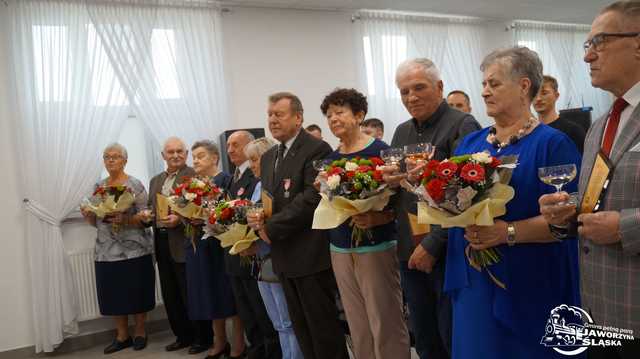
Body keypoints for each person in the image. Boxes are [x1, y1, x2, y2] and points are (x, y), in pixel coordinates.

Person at [444, 47, 582, 359]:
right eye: (483, 85)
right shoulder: (469, 143)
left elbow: (570, 221)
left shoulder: (553, 144)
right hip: (474, 280)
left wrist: (506, 232)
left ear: (523, 86)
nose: (484, 92)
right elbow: (449, 200)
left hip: (530, 282)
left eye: (494, 84)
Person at [539, 2, 640, 358]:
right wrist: (568, 215)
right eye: (587, 46)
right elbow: (596, 200)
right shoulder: (600, 125)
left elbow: (621, 220)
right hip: (599, 308)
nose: (587, 57)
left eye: (599, 42)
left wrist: (625, 227)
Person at [247, 92, 349, 359]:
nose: (272, 120)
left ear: (298, 117)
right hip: (282, 254)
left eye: (279, 114)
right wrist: (259, 218)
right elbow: (270, 199)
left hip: (310, 255)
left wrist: (272, 226)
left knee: (322, 328)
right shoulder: (269, 156)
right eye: (270, 114)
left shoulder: (317, 149)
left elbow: (312, 198)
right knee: (300, 327)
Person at [391, 58, 481, 359]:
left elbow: (470, 196)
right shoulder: (401, 132)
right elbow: (404, 193)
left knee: (453, 337)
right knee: (425, 338)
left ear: (439, 87)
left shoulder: (462, 125)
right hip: (409, 248)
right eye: (404, 91)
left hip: (448, 250)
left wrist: (432, 245)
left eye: (419, 88)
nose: (411, 97)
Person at [319, 88, 410, 358]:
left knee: (385, 319)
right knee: (356, 322)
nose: (333, 118)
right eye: (329, 114)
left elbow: (404, 199)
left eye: (340, 112)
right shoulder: (331, 159)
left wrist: (381, 215)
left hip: (376, 244)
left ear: (359, 115)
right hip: (340, 246)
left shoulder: (381, 152)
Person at [80, 143, 155, 354]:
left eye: (115, 157)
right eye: (107, 157)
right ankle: (122, 336)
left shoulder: (135, 184)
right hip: (106, 250)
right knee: (113, 294)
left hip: (135, 249)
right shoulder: (99, 187)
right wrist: (88, 216)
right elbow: (96, 221)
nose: (111, 160)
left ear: (125, 160)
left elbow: (147, 217)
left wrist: (127, 219)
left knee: (138, 292)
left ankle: (140, 332)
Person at [146, 137, 211, 354]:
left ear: (185, 154)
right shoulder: (155, 180)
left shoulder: (193, 176)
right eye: (170, 152)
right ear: (163, 156)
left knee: (190, 292)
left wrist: (180, 219)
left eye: (180, 151)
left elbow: (200, 210)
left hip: (185, 241)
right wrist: (146, 216)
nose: (175, 155)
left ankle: (202, 338)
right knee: (170, 293)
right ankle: (182, 336)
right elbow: (151, 209)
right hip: (161, 241)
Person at [242, 136, 304, 359]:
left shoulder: (277, 185)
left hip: (277, 259)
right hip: (261, 261)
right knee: (277, 323)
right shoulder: (258, 186)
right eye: (249, 160)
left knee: (289, 322)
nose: (252, 165)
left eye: (255, 159)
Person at [185, 140, 245, 359]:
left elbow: (231, 212)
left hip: (221, 244)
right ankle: (219, 341)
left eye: (200, 156)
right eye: (194, 157)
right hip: (200, 244)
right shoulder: (194, 185)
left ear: (214, 158)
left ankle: (238, 343)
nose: (196, 161)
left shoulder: (226, 180)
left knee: (228, 294)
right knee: (209, 293)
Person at [225, 130, 280, 359]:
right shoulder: (249, 182)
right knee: (262, 316)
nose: (252, 164)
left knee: (278, 322)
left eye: (255, 159)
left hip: (270, 256)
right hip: (255, 256)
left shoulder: (268, 185)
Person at [533, 75, 587, 153]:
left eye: (544, 93)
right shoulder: (528, 132)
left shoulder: (573, 131)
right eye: (534, 94)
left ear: (556, 95)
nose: (538, 99)